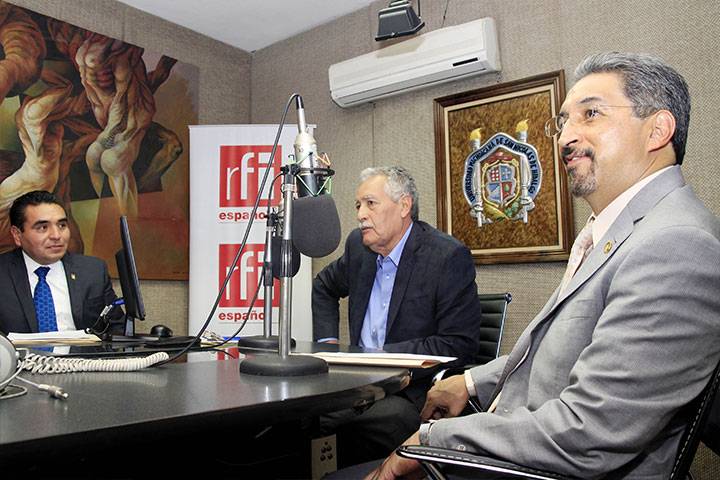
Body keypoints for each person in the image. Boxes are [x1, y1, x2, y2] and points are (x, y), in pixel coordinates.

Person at [364, 52, 720, 479]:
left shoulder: (675, 244)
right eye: (564, 121)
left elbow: (588, 432)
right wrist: (471, 382)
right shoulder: (620, 231)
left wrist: (430, 441)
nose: (565, 137)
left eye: (591, 114)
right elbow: (560, 351)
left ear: (658, 130)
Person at [313, 166, 482, 466]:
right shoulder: (358, 248)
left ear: (404, 206)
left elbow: (458, 343)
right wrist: (328, 345)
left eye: (370, 203)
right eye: (358, 205)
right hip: (355, 386)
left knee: (360, 427)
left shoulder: (446, 257)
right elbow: (324, 287)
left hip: (411, 391)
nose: (360, 214)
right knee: (299, 417)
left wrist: (381, 358)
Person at [0, 190, 120, 335]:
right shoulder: (3, 272)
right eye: (43, 227)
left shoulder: (93, 271)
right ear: (17, 235)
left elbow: (116, 327)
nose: (56, 235)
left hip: (81, 350)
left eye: (62, 225)